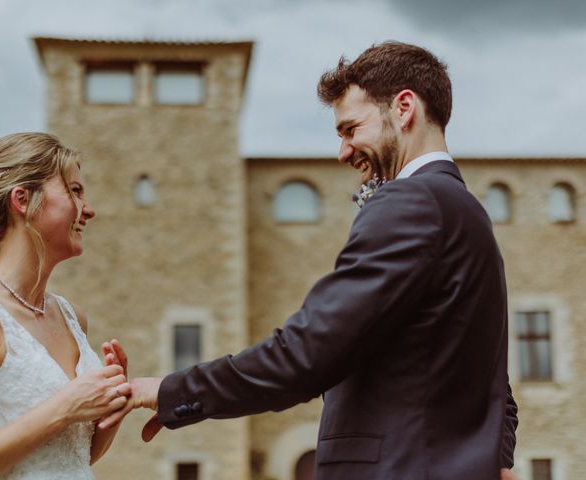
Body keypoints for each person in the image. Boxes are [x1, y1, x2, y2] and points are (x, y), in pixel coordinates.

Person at [103, 41, 519, 479]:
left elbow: (307, 352)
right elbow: (496, 382)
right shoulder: (468, 212)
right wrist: (498, 458)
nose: (343, 152)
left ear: (403, 108)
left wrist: (171, 390)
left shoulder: (409, 202)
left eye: (350, 129)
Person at [0, 132, 131, 480]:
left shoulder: (73, 317)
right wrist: (64, 407)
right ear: (23, 199)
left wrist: (113, 404)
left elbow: (72, 457)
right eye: (75, 191)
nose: (88, 210)